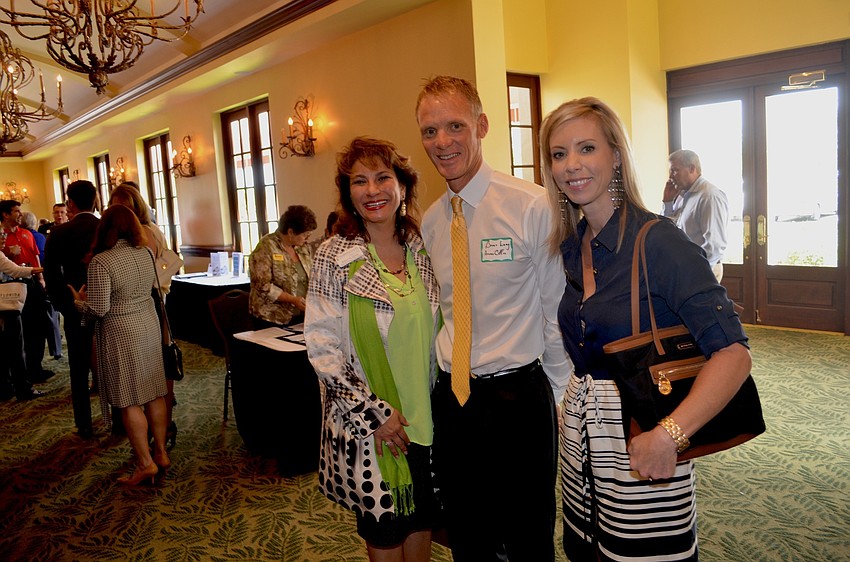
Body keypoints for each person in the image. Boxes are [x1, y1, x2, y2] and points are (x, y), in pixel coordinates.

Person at [539, 97, 752, 561]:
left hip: (644, 437)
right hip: (582, 444)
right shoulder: (575, 245)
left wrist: (670, 434)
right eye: (559, 154)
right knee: (588, 551)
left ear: (615, 155)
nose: (572, 165)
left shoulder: (658, 241)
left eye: (586, 148)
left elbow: (734, 355)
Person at [416, 75, 572, 561]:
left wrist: (562, 401)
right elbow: (443, 310)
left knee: (527, 537)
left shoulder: (531, 206)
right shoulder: (431, 221)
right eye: (429, 131)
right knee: (466, 533)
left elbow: (555, 311)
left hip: (518, 400)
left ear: (481, 125)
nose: (442, 142)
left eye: (454, 126)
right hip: (454, 398)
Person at [304, 137, 441, 561]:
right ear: (349, 193)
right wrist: (374, 415)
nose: (372, 190)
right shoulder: (333, 255)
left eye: (383, 177)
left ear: (403, 186)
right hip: (374, 429)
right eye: (359, 181)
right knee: (385, 535)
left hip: (429, 419)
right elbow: (322, 348)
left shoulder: (422, 246)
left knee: (420, 521)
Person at [69, 205, 170, 485]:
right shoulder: (145, 253)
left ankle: (145, 463)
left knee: (128, 399)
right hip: (148, 324)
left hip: (120, 330)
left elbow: (99, 309)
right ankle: (160, 453)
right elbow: (151, 287)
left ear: (105, 228)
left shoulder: (102, 262)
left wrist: (78, 302)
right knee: (154, 392)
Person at [109, 183, 178, 447]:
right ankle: (160, 426)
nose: (119, 213)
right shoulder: (146, 231)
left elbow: (142, 277)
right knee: (158, 366)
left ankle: (162, 427)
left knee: (157, 367)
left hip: (148, 304)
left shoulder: (144, 233)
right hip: (151, 302)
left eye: (123, 207)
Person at [44, 181, 100, 439]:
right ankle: (121, 419)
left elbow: (52, 275)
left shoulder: (60, 233)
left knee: (78, 368)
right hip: (109, 306)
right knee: (111, 363)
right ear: (95, 200)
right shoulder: (106, 228)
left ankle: (84, 424)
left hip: (75, 307)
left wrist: (65, 307)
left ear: (71, 204)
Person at [1, 201, 53, 384]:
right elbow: (7, 267)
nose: (20, 214)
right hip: (10, 287)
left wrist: (41, 278)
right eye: (16, 211)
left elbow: (35, 255)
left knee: (40, 325)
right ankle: (17, 375)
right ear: (6, 215)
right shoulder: (1, 236)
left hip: (31, 282)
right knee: (17, 333)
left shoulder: (26, 233)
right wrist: (8, 253)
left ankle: (35, 368)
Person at [662, 149, 729, 282]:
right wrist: (668, 202)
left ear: (692, 169)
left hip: (701, 271)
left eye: (675, 170)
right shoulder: (682, 196)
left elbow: (714, 245)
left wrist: (697, 273)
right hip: (685, 269)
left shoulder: (709, 196)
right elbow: (668, 231)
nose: (670, 176)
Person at [248, 205, 317, 327]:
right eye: (305, 235)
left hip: (299, 316)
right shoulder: (266, 247)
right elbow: (263, 286)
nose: (307, 239)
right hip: (271, 317)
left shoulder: (303, 247)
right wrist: (293, 300)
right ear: (290, 232)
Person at [0, 253, 45, 401]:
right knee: (15, 348)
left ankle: (5, 388)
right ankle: (23, 388)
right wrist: (41, 269)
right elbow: (16, 271)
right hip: (6, 307)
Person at [22, 211, 63, 361]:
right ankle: (56, 350)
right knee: (50, 318)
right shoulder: (38, 236)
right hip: (40, 279)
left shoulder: (33, 236)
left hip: (34, 278)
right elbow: (41, 259)